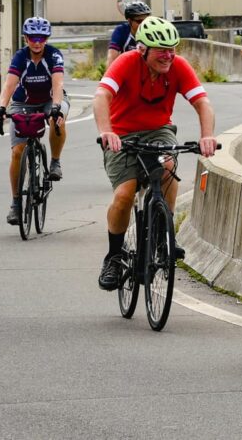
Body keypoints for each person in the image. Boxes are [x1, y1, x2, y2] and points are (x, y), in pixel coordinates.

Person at [93, 16, 218, 290]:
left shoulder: (178, 66)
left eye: (172, 48)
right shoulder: (125, 63)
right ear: (142, 50)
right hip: (121, 134)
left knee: (169, 168)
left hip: (158, 130)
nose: (168, 55)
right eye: (161, 50)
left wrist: (207, 135)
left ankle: (163, 237)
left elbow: (202, 102)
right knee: (125, 193)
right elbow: (102, 96)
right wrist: (107, 131)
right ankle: (114, 256)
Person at [0, 16, 68, 226]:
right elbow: (8, 86)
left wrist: (56, 108)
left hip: (50, 100)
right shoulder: (20, 57)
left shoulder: (54, 55)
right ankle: (16, 203)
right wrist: (0, 108)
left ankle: (55, 162)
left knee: (57, 119)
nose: (37, 42)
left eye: (41, 38)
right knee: (17, 152)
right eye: (32, 38)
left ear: (46, 38)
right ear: (25, 38)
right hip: (23, 102)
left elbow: (58, 82)